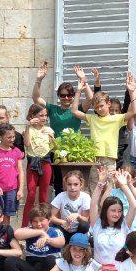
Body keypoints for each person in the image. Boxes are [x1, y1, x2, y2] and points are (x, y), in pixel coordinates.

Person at [33, 62, 96, 196]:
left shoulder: (77, 109)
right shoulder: (52, 109)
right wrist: (39, 80)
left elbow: (90, 99)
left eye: (69, 95)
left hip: (74, 151)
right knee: (60, 185)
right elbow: (36, 98)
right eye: (62, 95)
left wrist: (83, 81)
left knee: (76, 184)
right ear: (59, 97)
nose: (66, 98)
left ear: (73, 96)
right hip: (56, 151)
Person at [71, 72, 136, 194]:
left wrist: (132, 92)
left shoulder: (116, 118)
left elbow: (134, 111)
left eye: (101, 106)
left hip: (110, 160)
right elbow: (75, 111)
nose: (99, 109)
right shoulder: (93, 118)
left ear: (108, 104)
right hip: (95, 158)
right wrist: (78, 91)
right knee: (94, 189)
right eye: (96, 108)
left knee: (108, 190)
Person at [3, 203, 66, 271]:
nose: (38, 224)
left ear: (49, 219)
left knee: (51, 260)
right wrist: (40, 232)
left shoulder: (55, 231)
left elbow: (62, 242)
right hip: (31, 269)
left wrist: (48, 240)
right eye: (35, 221)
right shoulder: (30, 230)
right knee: (10, 261)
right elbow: (17, 234)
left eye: (42, 220)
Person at [89, 167, 136, 271]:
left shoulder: (124, 225)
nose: (117, 214)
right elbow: (93, 204)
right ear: (106, 211)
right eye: (113, 211)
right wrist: (101, 183)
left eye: (120, 211)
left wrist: (124, 184)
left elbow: (134, 205)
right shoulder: (97, 224)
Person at [22, 103, 55, 227]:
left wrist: (53, 140)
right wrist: (27, 126)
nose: (44, 118)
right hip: (33, 164)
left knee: (43, 195)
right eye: (41, 115)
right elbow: (27, 144)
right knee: (30, 195)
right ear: (32, 116)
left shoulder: (49, 130)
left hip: (45, 162)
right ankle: (25, 225)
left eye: (45, 115)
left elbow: (53, 147)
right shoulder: (28, 130)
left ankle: (44, 224)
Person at [0, 124, 25, 225]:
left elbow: (20, 171)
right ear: (0, 137)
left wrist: (20, 189)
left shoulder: (16, 151)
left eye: (13, 137)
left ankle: (5, 236)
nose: (12, 139)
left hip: (12, 190)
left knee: (7, 215)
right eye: (9, 137)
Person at [50, 170, 91, 242]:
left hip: (78, 229)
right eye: (69, 184)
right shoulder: (61, 196)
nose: (72, 187)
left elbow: (86, 219)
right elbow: (51, 217)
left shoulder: (85, 197)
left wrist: (78, 216)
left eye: (76, 184)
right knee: (50, 225)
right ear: (66, 184)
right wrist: (62, 222)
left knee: (85, 226)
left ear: (81, 184)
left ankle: (81, 239)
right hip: (64, 228)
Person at [110, 164, 136, 232]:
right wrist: (112, 183)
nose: (124, 180)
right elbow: (103, 203)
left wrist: (129, 184)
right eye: (122, 177)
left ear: (134, 179)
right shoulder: (114, 191)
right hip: (119, 227)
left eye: (127, 177)